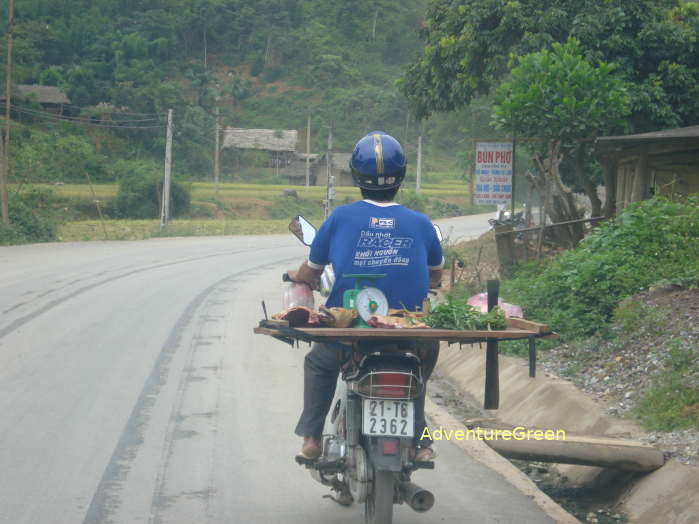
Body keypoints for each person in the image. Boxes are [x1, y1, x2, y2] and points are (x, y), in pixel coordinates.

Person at [286, 131, 443, 462]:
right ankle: (423, 442)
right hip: (408, 330)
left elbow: (312, 271)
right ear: (401, 176)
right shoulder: (421, 222)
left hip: (349, 332)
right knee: (418, 374)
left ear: (356, 176)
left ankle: (312, 438)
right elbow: (435, 277)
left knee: (318, 362)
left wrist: (299, 278)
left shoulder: (341, 217)